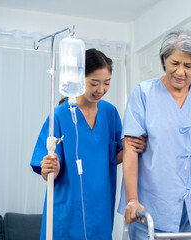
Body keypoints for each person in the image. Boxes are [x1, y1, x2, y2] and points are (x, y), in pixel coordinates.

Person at [119, 29, 191, 239]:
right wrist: (132, 200)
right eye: (174, 63)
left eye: (188, 66)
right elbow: (130, 148)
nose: (180, 72)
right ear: (164, 60)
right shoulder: (144, 93)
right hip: (150, 208)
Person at [31, 48, 146, 240]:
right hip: (67, 210)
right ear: (78, 79)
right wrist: (49, 168)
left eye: (107, 83)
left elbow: (113, 155)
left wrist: (130, 147)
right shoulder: (60, 115)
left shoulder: (109, 112)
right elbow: (47, 170)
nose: (101, 90)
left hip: (100, 209)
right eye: (94, 83)